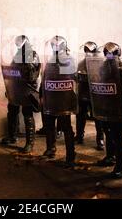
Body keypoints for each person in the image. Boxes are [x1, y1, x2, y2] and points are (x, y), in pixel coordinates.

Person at [87, 42, 122, 178]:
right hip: (105, 104)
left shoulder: (121, 68)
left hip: (117, 105)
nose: (109, 55)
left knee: (117, 136)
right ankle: (110, 157)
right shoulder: (103, 67)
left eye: (111, 53)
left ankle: (120, 166)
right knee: (108, 132)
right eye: (107, 53)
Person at [1, 35, 41, 153]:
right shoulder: (18, 55)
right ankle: (12, 136)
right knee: (12, 110)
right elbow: (13, 71)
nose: (18, 45)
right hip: (16, 88)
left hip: (27, 90)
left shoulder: (33, 55)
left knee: (27, 114)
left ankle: (30, 143)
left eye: (20, 43)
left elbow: (31, 74)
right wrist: (9, 87)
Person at [41, 35, 77, 166]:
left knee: (66, 127)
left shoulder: (68, 59)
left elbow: (70, 79)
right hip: (51, 97)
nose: (54, 48)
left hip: (63, 99)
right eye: (52, 46)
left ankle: (70, 156)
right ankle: (51, 149)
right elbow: (45, 77)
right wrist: (42, 95)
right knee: (49, 125)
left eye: (56, 45)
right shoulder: (50, 59)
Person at [75, 41, 105, 151]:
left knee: (98, 117)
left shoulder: (100, 62)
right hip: (84, 91)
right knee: (80, 115)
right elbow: (78, 76)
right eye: (86, 51)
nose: (87, 53)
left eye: (89, 51)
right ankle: (79, 136)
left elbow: (102, 77)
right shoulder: (82, 62)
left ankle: (100, 139)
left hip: (96, 92)